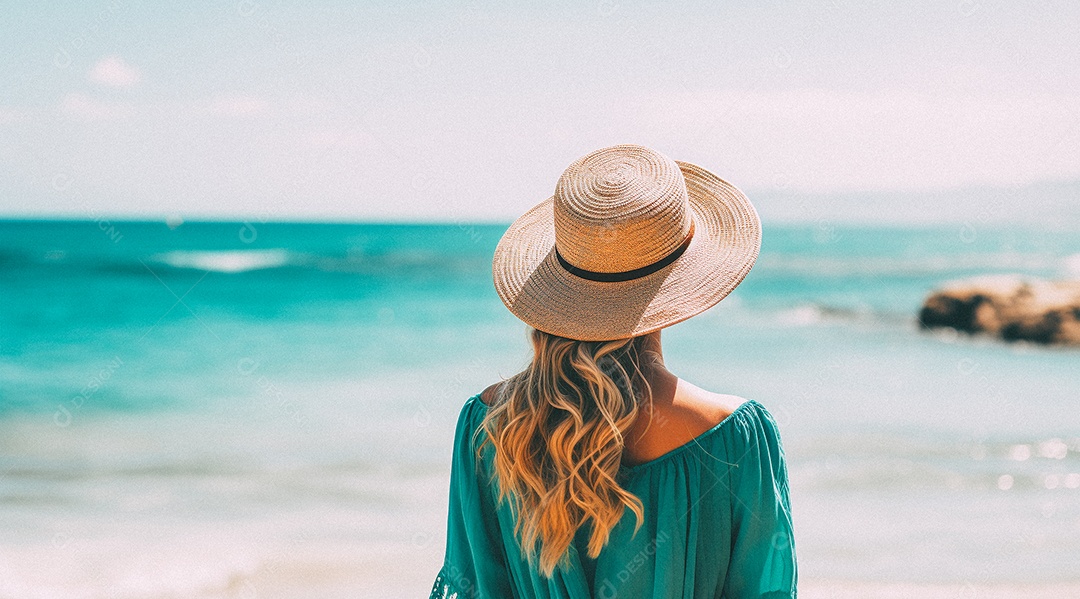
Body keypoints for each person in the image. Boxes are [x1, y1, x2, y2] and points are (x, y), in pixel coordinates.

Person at [430, 144, 797, 598]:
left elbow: (474, 587)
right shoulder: (735, 436)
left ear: (558, 288)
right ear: (680, 288)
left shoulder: (487, 428)